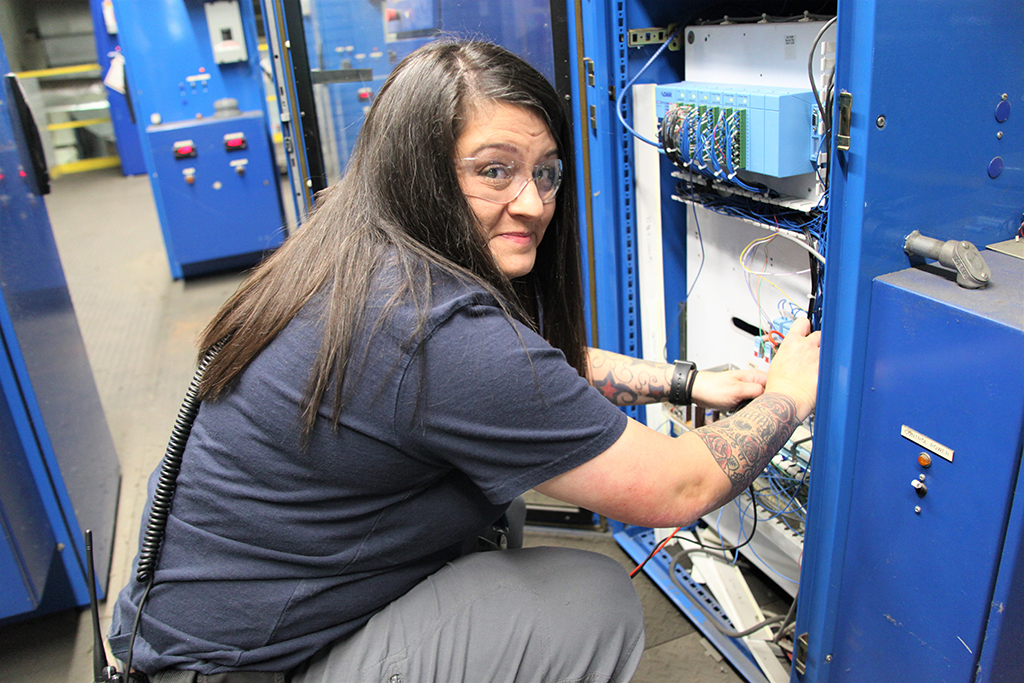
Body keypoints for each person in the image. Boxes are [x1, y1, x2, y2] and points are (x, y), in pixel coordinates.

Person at [108, 39, 820, 683]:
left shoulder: (359, 253)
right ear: (420, 171)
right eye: (494, 171)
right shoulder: (427, 329)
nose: (533, 202)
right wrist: (785, 395)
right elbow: (677, 486)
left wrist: (683, 380)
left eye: (546, 172)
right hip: (234, 669)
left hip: (182, 631)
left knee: (493, 519)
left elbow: (529, 379)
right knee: (592, 601)